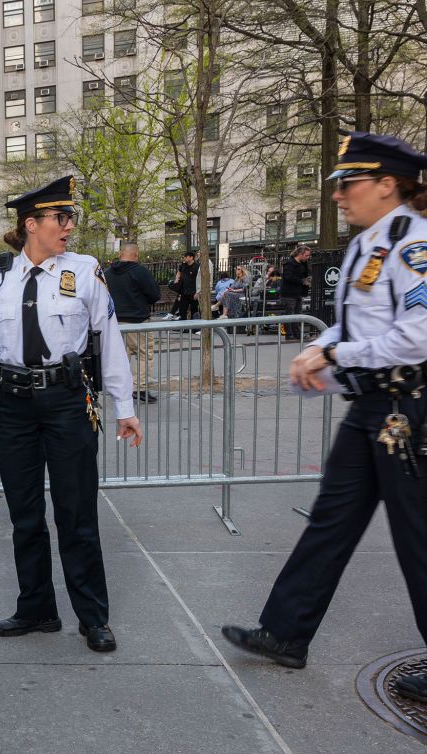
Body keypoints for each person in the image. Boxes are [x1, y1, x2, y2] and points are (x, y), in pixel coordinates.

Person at [222, 131, 427, 707]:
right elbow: (358, 327)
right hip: (372, 407)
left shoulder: (415, 244)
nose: (338, 194)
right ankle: (286, 632)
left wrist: (333, 353)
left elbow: (417, 334)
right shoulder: (368, 244)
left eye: (350, 183)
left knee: (418, 537)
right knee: (331, 520)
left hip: (409, 409)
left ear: (388, 185)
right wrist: (319, 357)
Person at [0, 176, 144, 653]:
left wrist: (125, 408)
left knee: (77, 514)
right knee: (25, 517)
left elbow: (110, 344)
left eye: (70, 218)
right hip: (14, 409)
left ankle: (92, 617)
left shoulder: (84, 272)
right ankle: (37, 607)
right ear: (31, 224)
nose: (69, 226)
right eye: (60, 218)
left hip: (67, 404)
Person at [103, 241, 160, 403]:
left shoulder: (107, 273)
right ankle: (140, 388)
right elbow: (154, 294)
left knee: (121, 356)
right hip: (138, 320)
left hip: (114, 321)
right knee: (144, 354)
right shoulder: (140, 271)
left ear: (120, 254)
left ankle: (120, 388)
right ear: (136, 254)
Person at [279, 244, 313, 339]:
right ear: (300, 254)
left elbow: (306, 273)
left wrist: (308, 278)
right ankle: (289, 335)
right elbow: (288, 277)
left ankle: (297, 334)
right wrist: (302, 281)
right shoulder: (289, 263)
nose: (308, 257)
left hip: (298, 292)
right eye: (306, 255)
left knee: (297, 314)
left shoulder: (303, 263)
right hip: (288, 293)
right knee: (289, 314)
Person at [171, 251, 200, 320]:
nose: (184, 258)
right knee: (182, 311)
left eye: (186, 257)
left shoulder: (197, 266)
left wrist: (198, 292)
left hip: (194, 292)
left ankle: (194, 329)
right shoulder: (183, 265)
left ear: (191, 257)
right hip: (184, 292)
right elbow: (179, 271)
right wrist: (177, 278)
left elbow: (200, 279)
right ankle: (184, 329)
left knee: (194, 311)